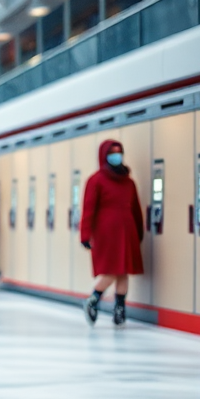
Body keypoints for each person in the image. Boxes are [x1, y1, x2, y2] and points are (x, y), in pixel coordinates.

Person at [79, 140, 144, 326]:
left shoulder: (128, 182)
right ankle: (93, 299)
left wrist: (138, 231)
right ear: (104, 156)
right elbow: (88, 210)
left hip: (127, 230)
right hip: (106, 233)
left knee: (123, 272)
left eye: (119, 152)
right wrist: (85, 235)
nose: (116, 156)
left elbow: (136, 209)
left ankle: (120, 308)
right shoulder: (96, 180)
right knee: (112, 270)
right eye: (112, 153)